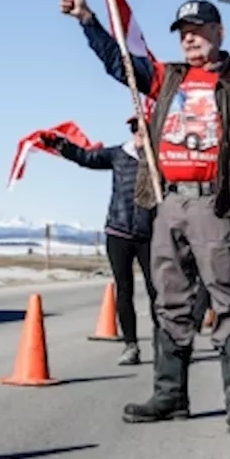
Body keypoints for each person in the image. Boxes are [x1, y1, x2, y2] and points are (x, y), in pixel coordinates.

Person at [60, 0, 230, 433]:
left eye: (198, 29)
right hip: (168, 202)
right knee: (170, 300)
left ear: (218, 32)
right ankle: (169, 395)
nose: (189, 37)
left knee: (227, 300)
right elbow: (117, 63)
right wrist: (87, 20)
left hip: (214, 205)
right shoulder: (168, 77)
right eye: (183, 31)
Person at [43, 117, 157, 365]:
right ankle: (131, 345)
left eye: (147, 132)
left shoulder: (159, 159)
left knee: (156, 290)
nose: (142, 137)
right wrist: (61, 145)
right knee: (123, 290)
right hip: (118, 232)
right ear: (133, 133)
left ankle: (165, 345)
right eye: (138, 132)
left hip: (150, 235)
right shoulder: (118, 155)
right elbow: (87, 158)